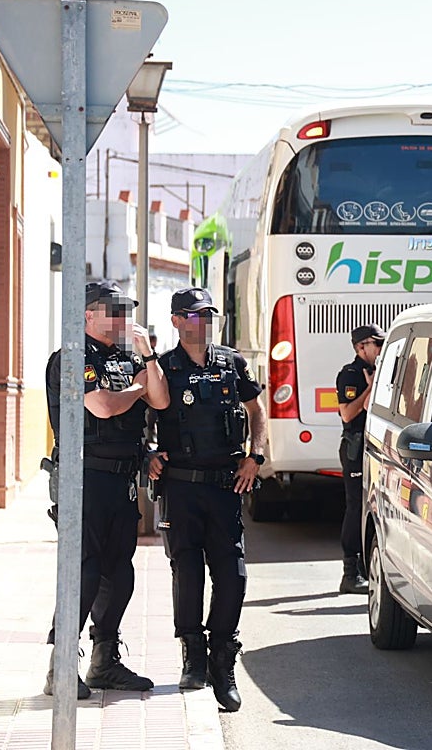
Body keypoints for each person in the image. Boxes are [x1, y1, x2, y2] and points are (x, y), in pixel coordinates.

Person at [43, 280, 169, 698]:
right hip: (83, 478)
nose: (122, 318)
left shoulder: (127, 357)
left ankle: (104, 662)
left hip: (120, 480)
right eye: (113, 310)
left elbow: (161, 400)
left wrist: (147, 356)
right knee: (84, 571)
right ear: (88, 314)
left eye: (125, 310)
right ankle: (61, 666)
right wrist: (138, 388)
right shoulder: (72, 356)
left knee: (120, 573)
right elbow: (102, 405)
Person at [147, 287, 267, 712]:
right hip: (180, 487)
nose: (205, 323)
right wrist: (147, 453)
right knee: (188, 572)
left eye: (209, 316)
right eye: (196, 315)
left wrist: (255, 456)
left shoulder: (231, 363)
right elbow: (140, 419)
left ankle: (222, 657)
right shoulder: (163, 369)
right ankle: (193, 656)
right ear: (177, 321)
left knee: (233, 575)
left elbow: (256, 412)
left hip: (225, 487)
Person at [334, 324, 385, 594]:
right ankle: (349, 573)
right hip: (355, 450)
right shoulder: (351, 374)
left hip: (376, 448)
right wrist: (370, 388)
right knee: (355, 508)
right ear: (360, 347)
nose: (381, 348)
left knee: (373, 508)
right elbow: (348, 413)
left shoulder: (382, 369)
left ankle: (367, 568)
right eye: (377, 344)